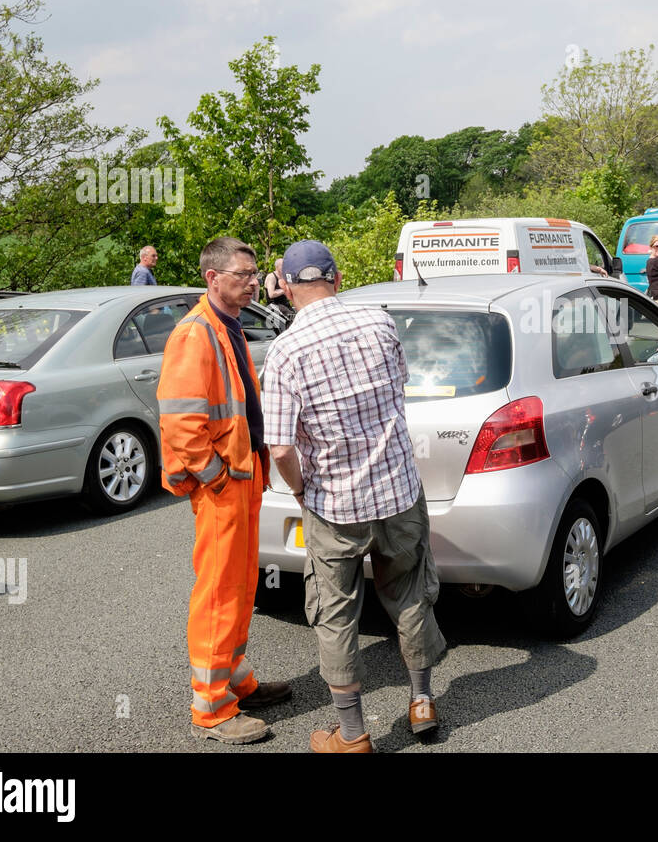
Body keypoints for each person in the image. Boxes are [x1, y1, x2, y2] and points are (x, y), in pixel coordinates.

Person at [262, 240, 446, 754]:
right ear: (337, 279)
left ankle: (352, 735)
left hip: (334, 506)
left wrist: (301, 490)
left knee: (334, 612)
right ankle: (422, 701)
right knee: (410, 593)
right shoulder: (380, 322)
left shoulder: (285, 351)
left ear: (286, 287)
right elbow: (398, 388)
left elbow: (279, 447)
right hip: (399, 492)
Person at [157, 236, 292, 745]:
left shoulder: (225, 326)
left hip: (241, 478)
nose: (254, 281)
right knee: (218, 592)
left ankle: (235, 681)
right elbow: (181, 422)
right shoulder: (196, 334)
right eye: (243, 273)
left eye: (255, 273)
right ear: (213, 278)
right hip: (223, 485)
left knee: (238, 587)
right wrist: (214, 475)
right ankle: (212, 707)